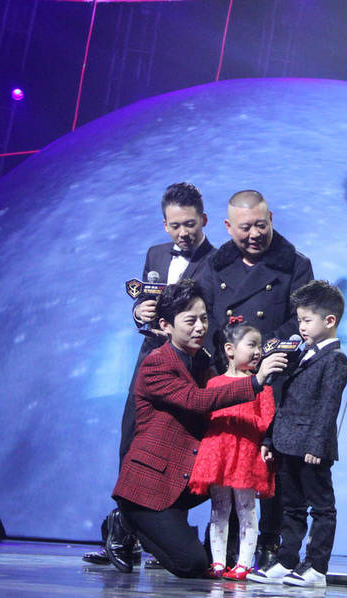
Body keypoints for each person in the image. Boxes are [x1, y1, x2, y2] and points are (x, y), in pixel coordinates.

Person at [108, 279, 288, 577]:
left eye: (204, 319)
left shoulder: (202, 361)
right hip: (150, 486)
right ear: (166, 325)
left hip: (183, 479)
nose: (200, 328)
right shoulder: (156, 364)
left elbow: (225, 396)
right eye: (190, 321)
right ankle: (126, 521)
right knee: (191, 565)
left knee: (233, 478)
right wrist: (255, 382)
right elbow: (196, 400)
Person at [85, 182, 216, 567]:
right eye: (175, 226)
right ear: (164, 225)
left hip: (190, 366)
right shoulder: (156, 254)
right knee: (133, 440)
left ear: (204, 220)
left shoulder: (218, 260)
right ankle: (124, 532)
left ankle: (166, 536)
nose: (183, 233)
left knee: (181, 446)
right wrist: (139, 312)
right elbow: (146, 299)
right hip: (152, 360)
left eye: (190, 224)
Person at [198, 189, 314, 567]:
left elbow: (300, 320)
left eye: (260, 225)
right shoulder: (214, 265)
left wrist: (260, 354)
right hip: (228, 376)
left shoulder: (295, 264)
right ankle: (226, 542)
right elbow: (204, 314)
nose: (254, 235)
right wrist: (226, 359)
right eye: (245, 227)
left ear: (271, 219)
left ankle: (268, 541)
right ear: (228, 226)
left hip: (274, 377)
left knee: (270, 461)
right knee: (229, 459)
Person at [247, 280, 347, 588]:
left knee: (321, 507)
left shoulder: (335, 359)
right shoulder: (301, 355)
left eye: (307, 320)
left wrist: (316, 445)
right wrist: (270, 438)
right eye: (300, 320)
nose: (301, 327)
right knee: (291, 507)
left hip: (311, 447)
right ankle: (286, 559)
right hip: (287, 442)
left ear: (329, 320)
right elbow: (284, 403)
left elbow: (328, 407)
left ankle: (316, 566)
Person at [188, 317, 276, 581]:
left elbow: (268, 420)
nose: (258, 351)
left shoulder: (263, 387)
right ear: (230, 349)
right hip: (219, 453)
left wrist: (265, 443)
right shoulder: (214, 384)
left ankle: (244, 563)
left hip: (246, 454)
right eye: (252, 345)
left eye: (259, 346)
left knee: (246, 509)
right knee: (219, 509)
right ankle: (217, 562)